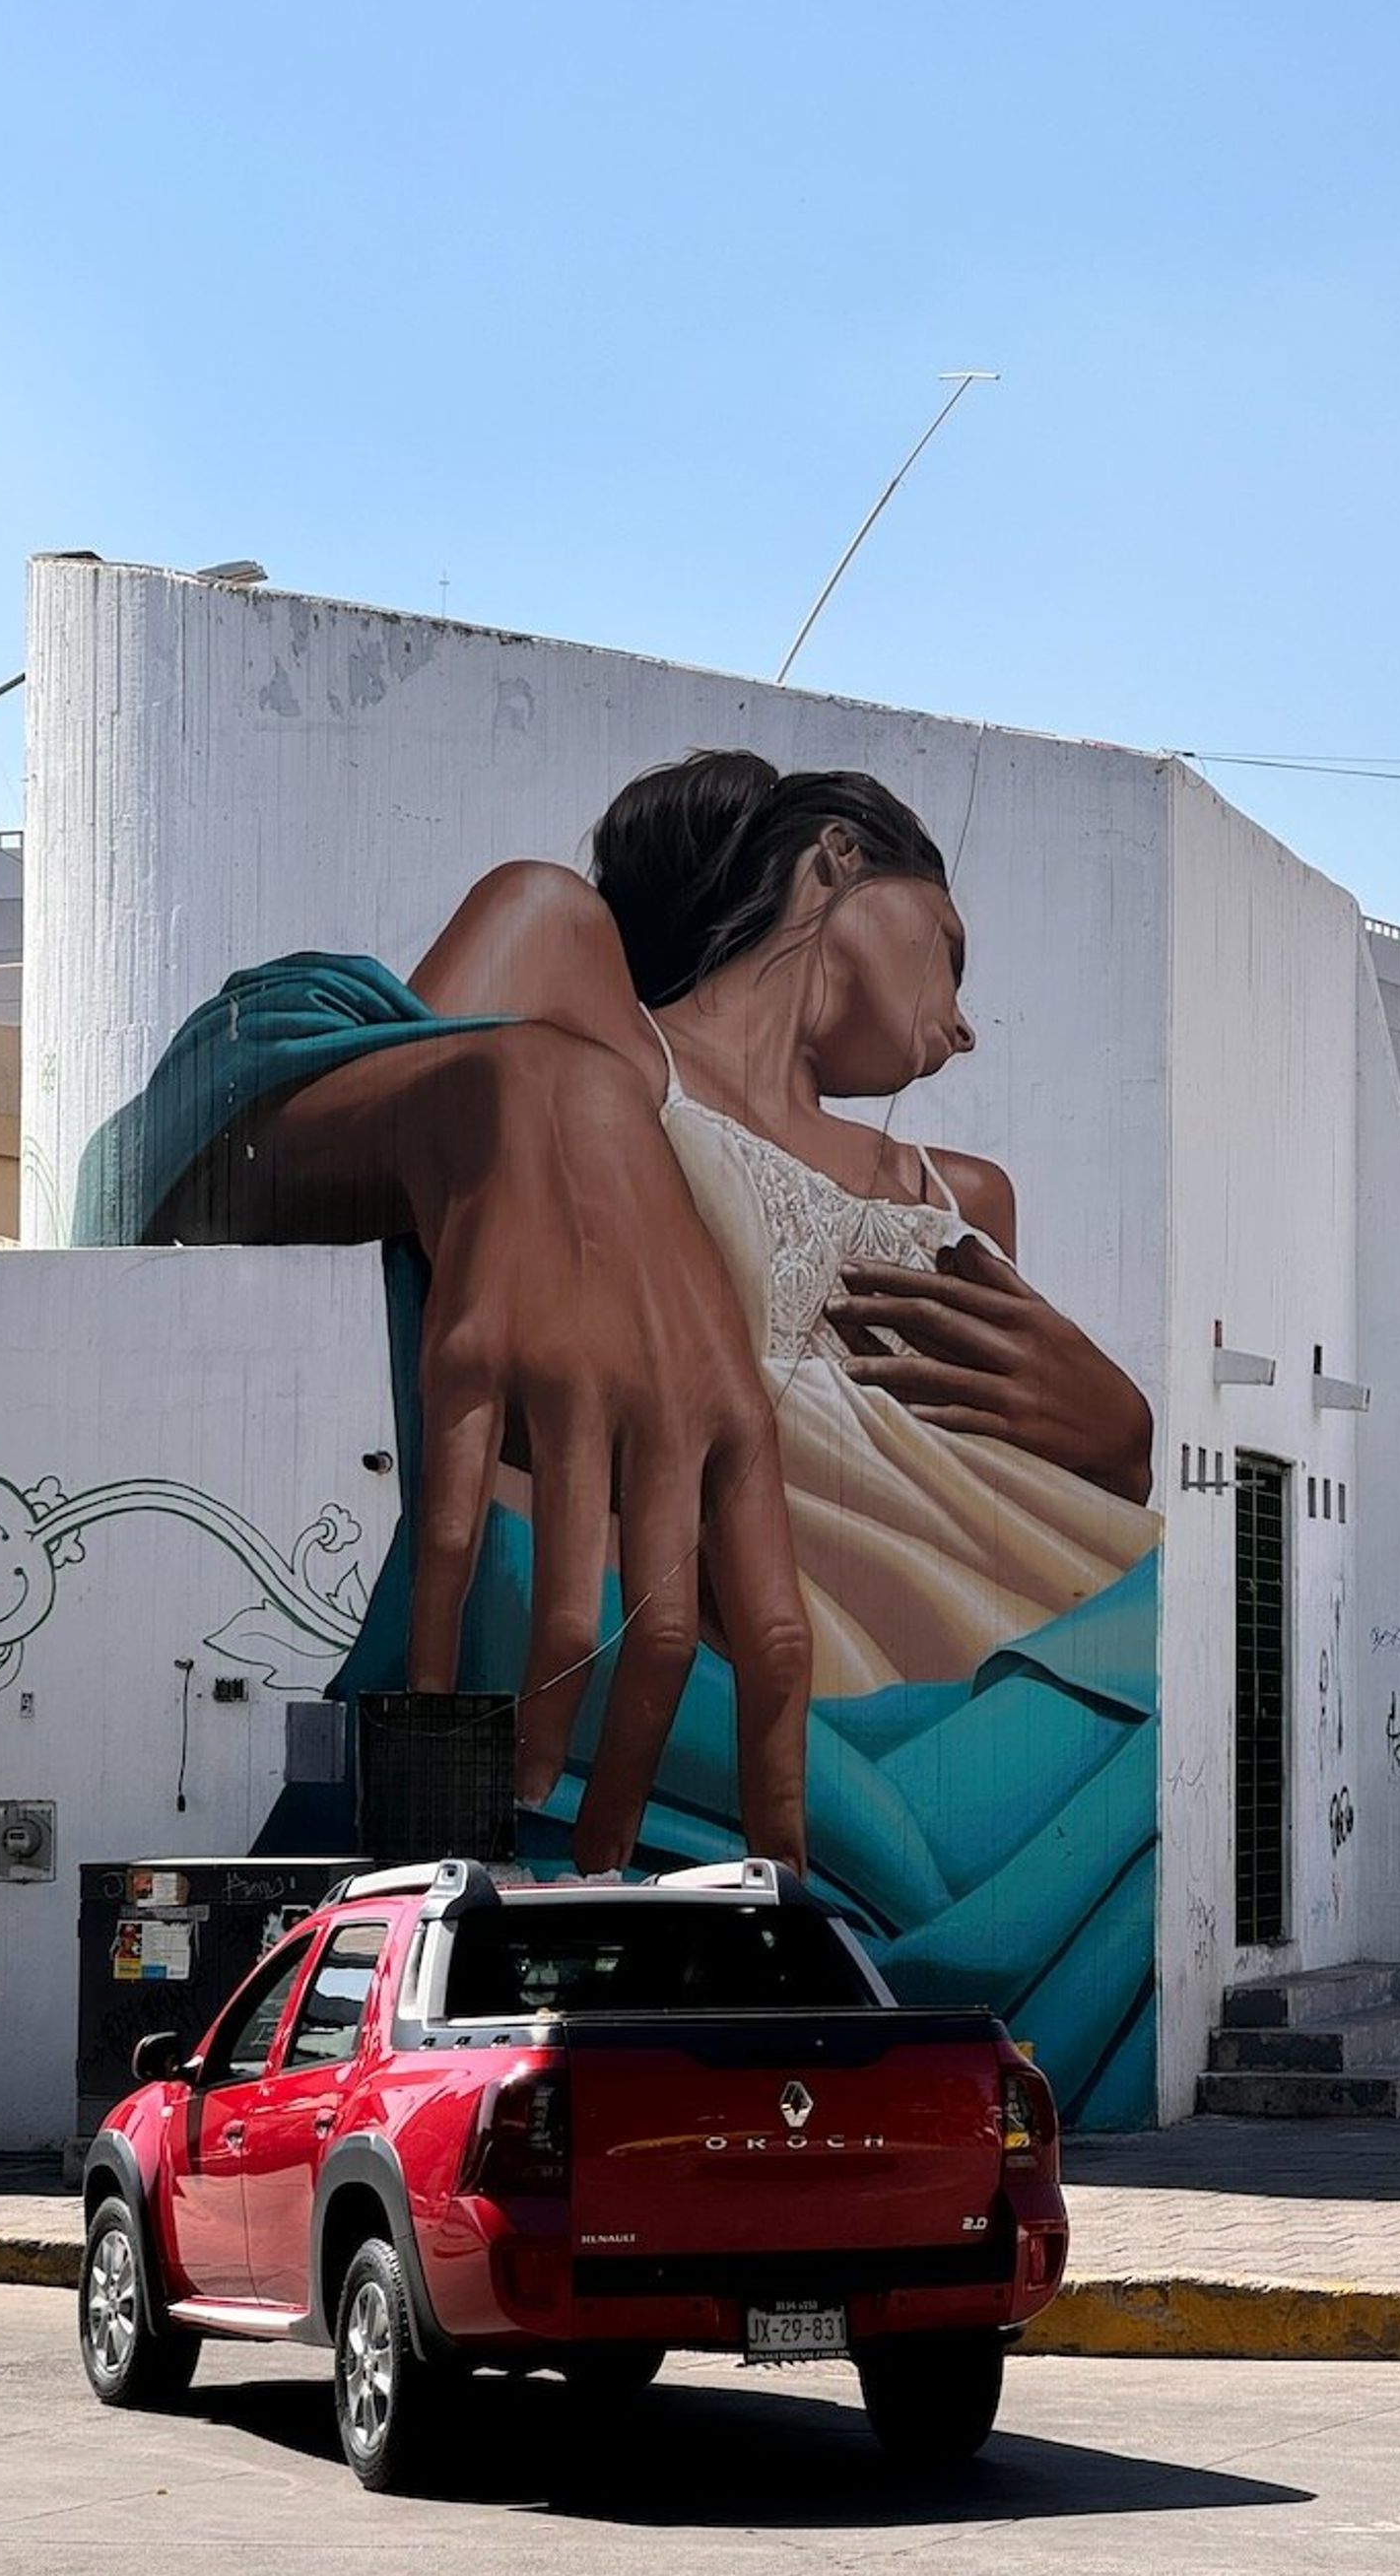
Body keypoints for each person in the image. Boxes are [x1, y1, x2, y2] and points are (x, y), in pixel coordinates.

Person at [75, 752, 1164, 2128]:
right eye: (949, 951)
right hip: (734, 1679)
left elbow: (1025, 1484)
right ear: (836, 861)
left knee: (1185, 1650)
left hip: (1013, 1680)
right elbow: (176, 1169)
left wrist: (1122, 1438)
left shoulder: (966, 1189)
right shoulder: (585, 996)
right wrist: (506, 1096)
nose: (963, 1027)